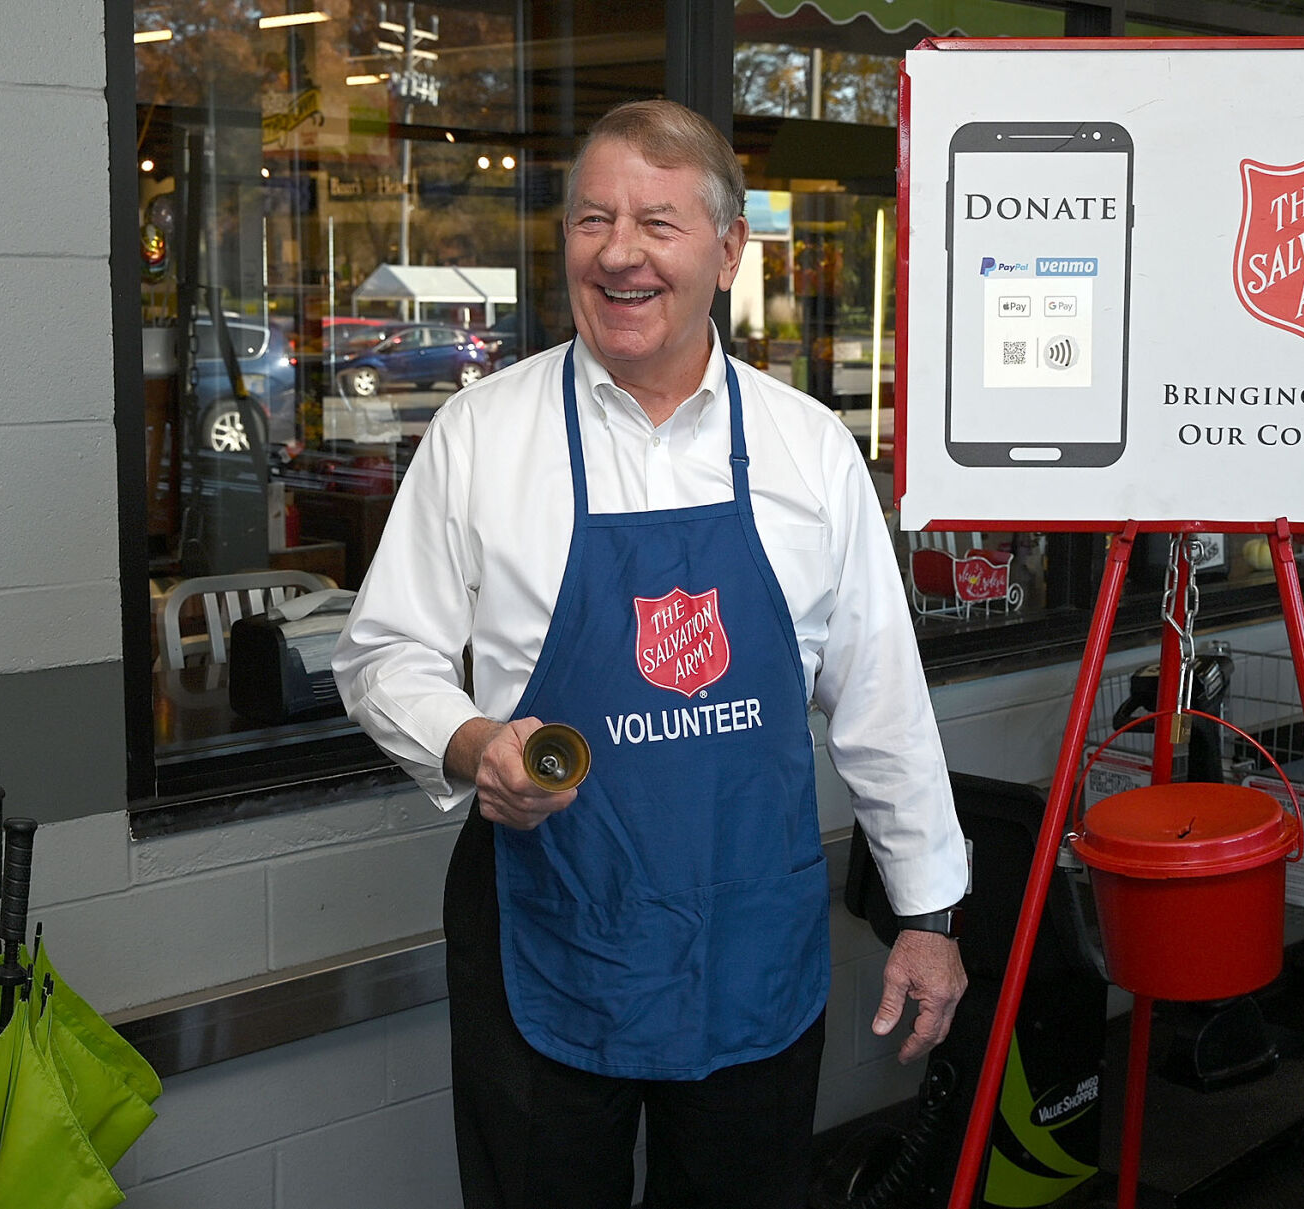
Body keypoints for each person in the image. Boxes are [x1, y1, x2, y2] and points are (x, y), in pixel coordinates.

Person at [332, 98, 968, 1209]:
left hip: (748, 929)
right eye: (592, 220)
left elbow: (881, 700)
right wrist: (470, 739)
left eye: (656, 224)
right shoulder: (484, 435)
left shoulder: (805, 448)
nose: (618, 253)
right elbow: (383, 652)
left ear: (727, 250)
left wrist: (926, 916)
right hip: (546, 921)